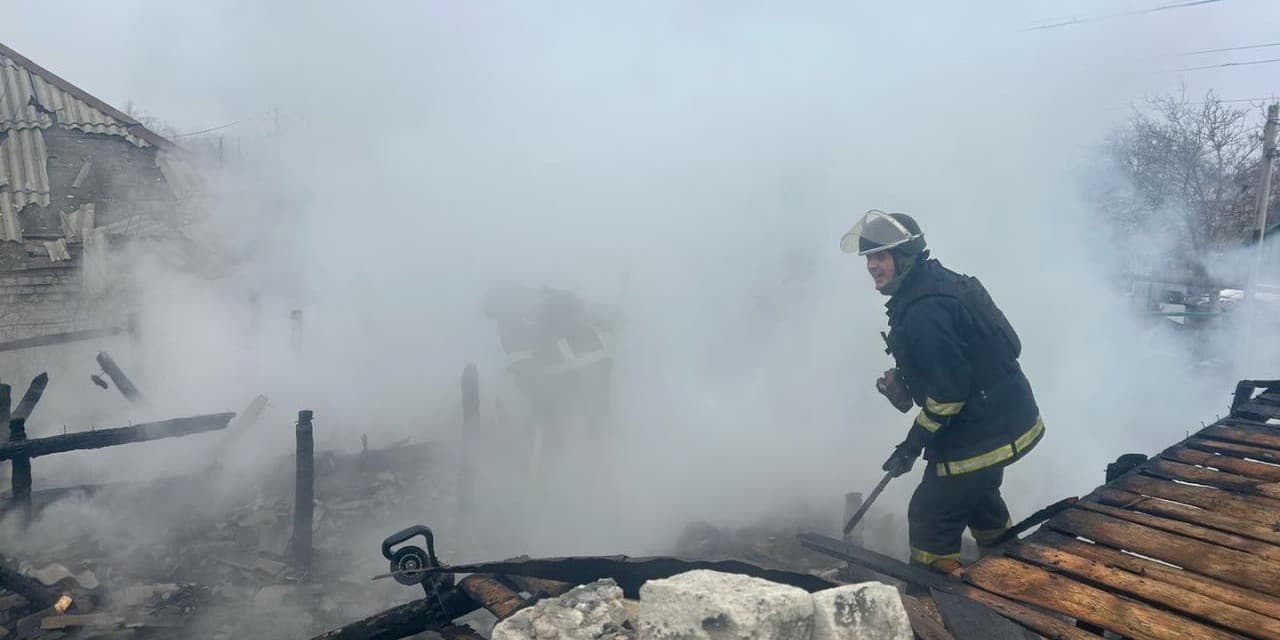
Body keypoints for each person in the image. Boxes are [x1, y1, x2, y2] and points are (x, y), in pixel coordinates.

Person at [840, 210, 1045, 574]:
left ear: (905, 256)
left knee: (929, 516)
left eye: (881, 256)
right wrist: (908, 384)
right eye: (869, 258)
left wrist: (911, 444)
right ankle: (1006, 576)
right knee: (979, 500)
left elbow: (950, 393)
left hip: (981, 431)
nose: (872, 265)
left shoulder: (924, 310)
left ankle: (933, 603)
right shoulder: (934, 284)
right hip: (1002, 419)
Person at [482, 282, 618, 453]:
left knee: (550, 431)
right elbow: (613, 319)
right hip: (601, 361)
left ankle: (547, 470)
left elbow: (524, 369)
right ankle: (606, 462)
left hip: (567, 372)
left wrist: (539, 399)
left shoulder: (511, 325)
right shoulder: (552, 298)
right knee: (597, 422)